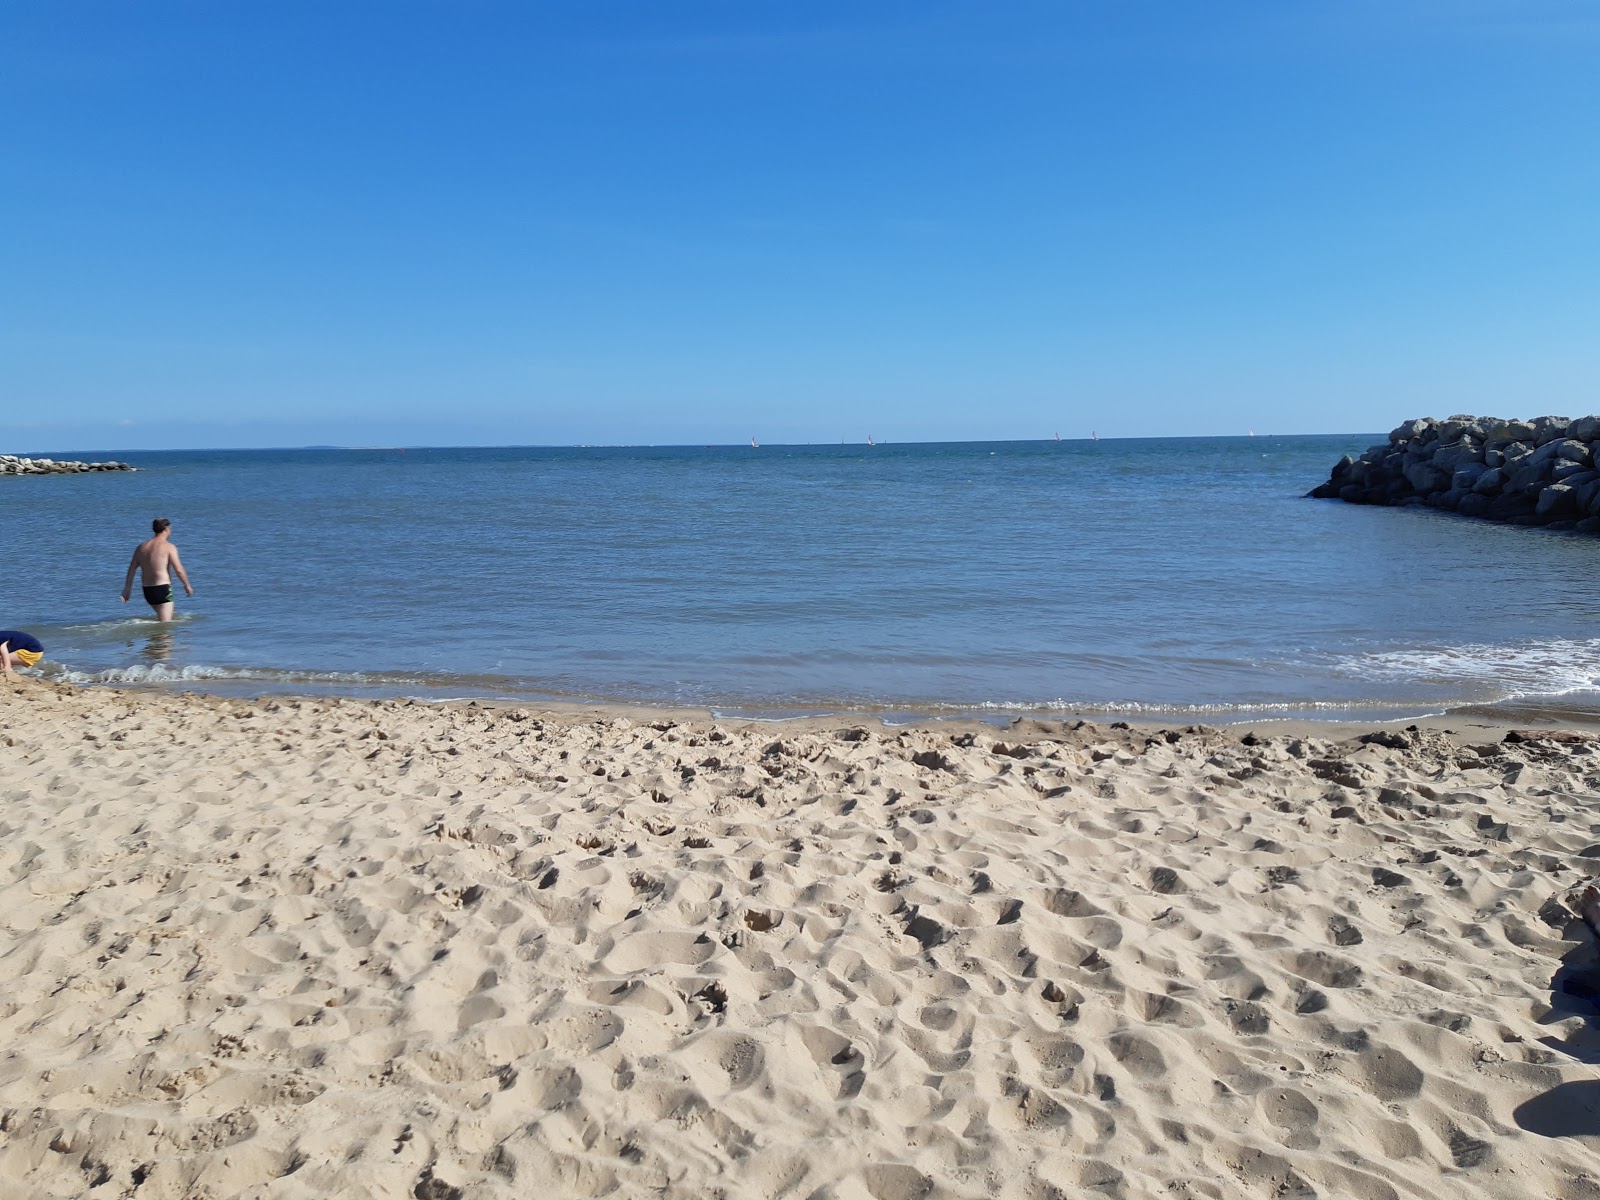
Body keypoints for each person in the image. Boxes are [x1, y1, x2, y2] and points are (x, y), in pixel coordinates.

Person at [120, 517, 194, 622]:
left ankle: (155, 638)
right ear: (166, 529)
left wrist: (127, 589)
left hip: (148, 591)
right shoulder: (169, 547)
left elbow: (132, 569)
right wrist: (187, 585)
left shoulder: (141, 547)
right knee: (165, 627)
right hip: (163, 589)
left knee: (161, 622)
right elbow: (179, 569)